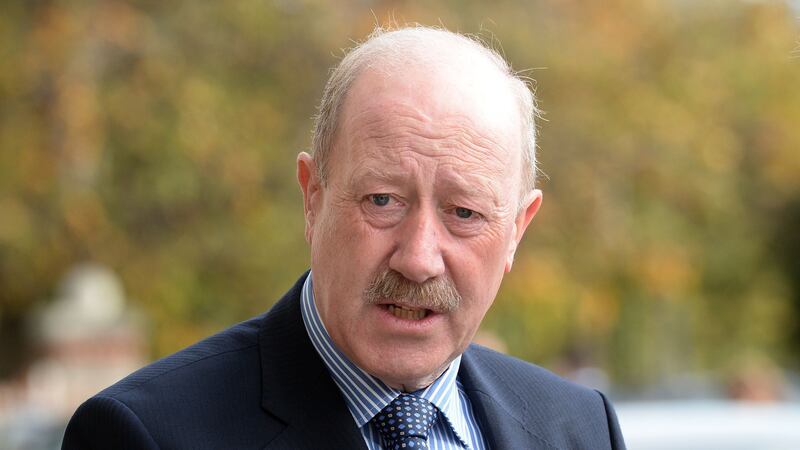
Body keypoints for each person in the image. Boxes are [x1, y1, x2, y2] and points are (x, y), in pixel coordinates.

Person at [62, 26, 625, 450]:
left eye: (464, 212)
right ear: (313, 197)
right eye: (383, 201)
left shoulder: (580, 429)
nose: (419, 259)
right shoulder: (146, 435)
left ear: (516, 232)